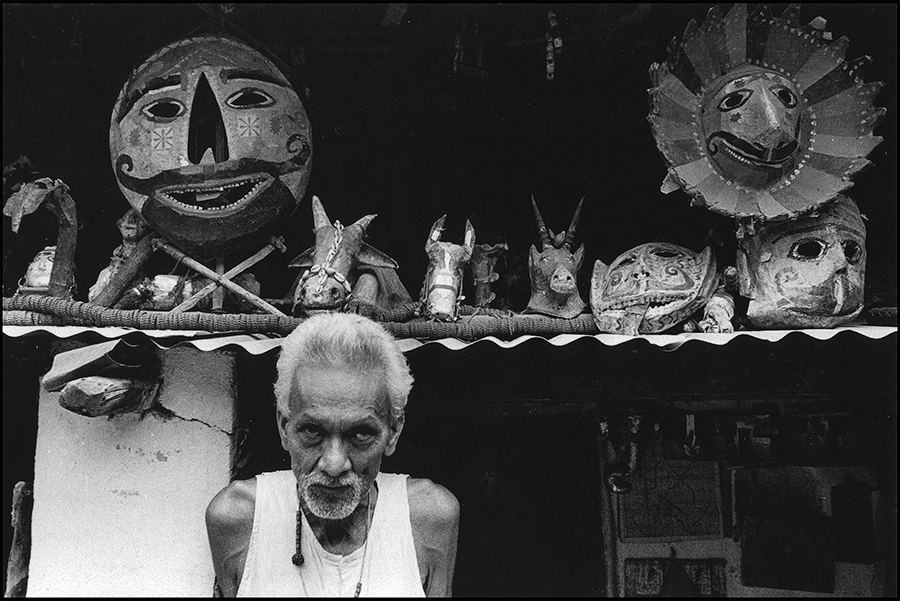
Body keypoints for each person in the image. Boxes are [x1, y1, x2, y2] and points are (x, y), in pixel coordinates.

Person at [206, 312, 460, 597]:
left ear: (393, 432)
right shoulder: (237, 517)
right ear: (284, 427)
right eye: (313, 431)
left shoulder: (428, 517)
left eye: (361, 434)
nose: (335, 463)